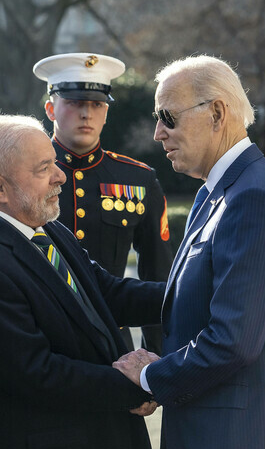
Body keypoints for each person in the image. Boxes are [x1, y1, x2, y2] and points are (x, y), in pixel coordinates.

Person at [112, 56, 265, 449]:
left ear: (216, 113)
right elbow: (190, 299)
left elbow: (233, 341)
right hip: (223, 445)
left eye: (167, 117)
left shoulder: (252, 198)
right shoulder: (218, 191)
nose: (158, 133)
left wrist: (150, 376)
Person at [0, 114, 163, 449]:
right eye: (44, 168)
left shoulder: (43, 227)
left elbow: (104, 292)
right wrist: (138, 383)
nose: (60, 175)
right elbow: (37, 374)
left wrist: (191, 295)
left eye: (53, 162)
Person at [33, 52, 172, 354]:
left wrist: (157, 360)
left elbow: (157, 276)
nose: (87, 114)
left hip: (112, 347)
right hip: (41, 343)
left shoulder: (138, 179)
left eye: (97, 104)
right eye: (74, 103)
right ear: (50, 109)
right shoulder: (26, 174)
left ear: (107, 112)